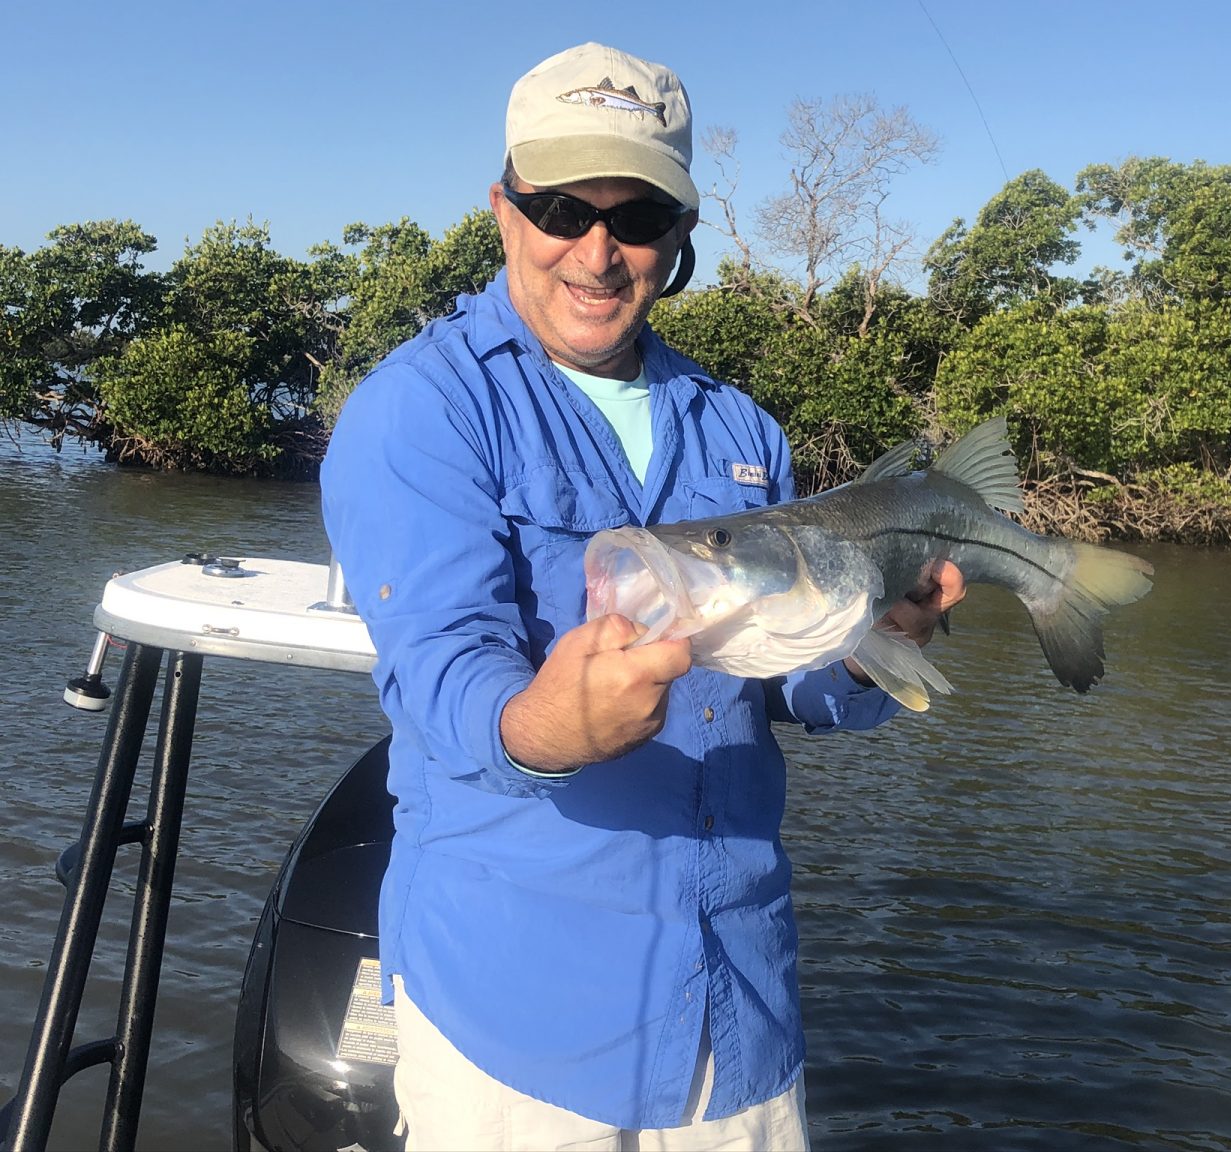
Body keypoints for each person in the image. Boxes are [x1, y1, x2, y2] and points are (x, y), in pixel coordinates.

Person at [321, 41, 963, 1152]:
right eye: (563, 207)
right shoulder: (421, 410)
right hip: (517, 1022)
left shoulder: (743, 429)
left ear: (681, 236)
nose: (598, 251)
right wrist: (543, 729)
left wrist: (869, 647)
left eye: (640, 217)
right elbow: (438, 669)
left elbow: (787, 680)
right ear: (505, 210)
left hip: (743, 1012)